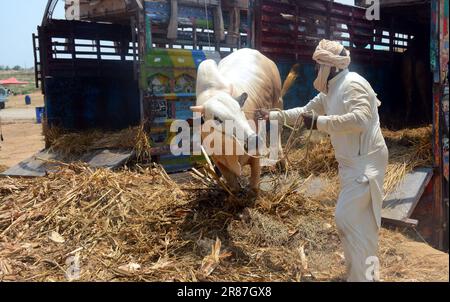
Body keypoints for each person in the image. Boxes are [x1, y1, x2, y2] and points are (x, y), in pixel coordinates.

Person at [257, 39, 388, 282]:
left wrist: (320, 123)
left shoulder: (353, 85)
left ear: (332, 67)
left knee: (346, 218)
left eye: (319, 67)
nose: (316, 71)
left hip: (365, 162)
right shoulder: (330, 90)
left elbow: (360, 119)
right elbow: (305, 112)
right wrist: (274, 115)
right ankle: (361, 275)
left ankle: (363, 277)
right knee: (359, 224)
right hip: (350, 162)